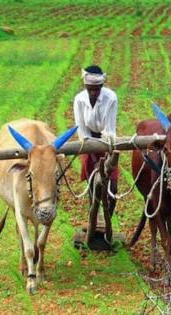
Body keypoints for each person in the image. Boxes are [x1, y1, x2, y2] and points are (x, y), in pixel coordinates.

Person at [73, 64, 118, 215]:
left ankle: (108, 219)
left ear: (102, 85)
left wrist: (106, 149)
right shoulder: (79, 99)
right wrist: (89, 147)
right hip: (88, 141)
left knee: (112, 187)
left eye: (97, 89)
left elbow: (109, 129)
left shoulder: (110, 97)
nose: (93, 92)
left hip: (107, 141)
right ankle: (93, 215)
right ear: (85, 86)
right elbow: (81, 128)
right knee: (92, 185)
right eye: (90, 89)